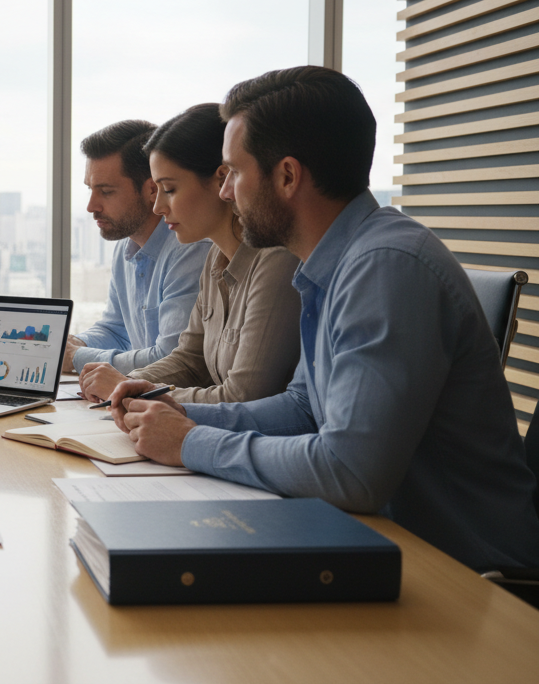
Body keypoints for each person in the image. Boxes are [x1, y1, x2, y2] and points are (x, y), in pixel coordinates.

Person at [108, 66, 539, 570]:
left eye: (235, 173)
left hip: (466, 576)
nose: (226, 194)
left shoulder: (386, 267)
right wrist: (179, 414)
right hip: (385, 542)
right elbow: (303, 408)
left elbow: (350, 471)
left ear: (287, 175)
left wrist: (190, 443)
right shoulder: (339, 263)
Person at [78, 104, 301, 404]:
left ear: (223, 181)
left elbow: (244, 396)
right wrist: (125, 386)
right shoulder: (215, 260)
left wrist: (138, 395)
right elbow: (188, 359)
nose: (158, 207)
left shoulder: (274, 260)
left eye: (169, 189)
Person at [64, 120, 211, 378]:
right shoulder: (125, 247)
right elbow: (115, 330)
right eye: (90, 189)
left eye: (106, 192)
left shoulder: (190, 248)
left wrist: (77, 358)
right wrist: (72, 345)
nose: (91, 206)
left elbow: (169, 358)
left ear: (151, 190)